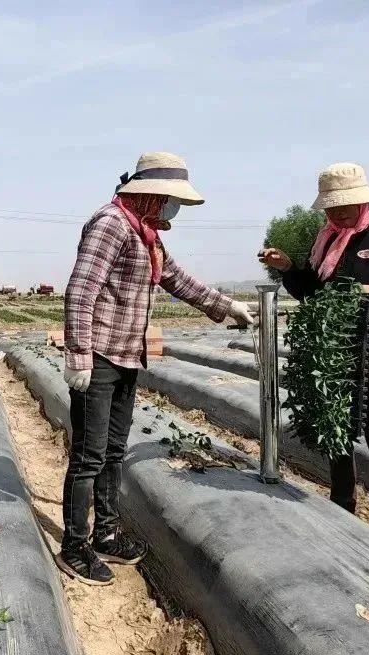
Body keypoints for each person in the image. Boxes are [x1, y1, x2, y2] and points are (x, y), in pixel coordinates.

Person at [61, 151, 255, 585]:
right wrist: (78, 357)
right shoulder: (111, 224)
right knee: (89, 456)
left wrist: (226, 306)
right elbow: (80, 292)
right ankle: (74, 545)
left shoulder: (146, 235)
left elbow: (178, 279)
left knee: (113, 451)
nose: (175, 210)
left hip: (127, 355)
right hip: (100, 358)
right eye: (172, 200)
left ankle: (105, 534)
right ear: (150, 194)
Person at [260, 162, 369, 541]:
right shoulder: (326, 239)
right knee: (336, 429)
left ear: (361, 202)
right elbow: (312, 291)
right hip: (331, 353)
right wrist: (289, 268)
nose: (336, 212)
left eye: (343, 206)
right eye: (331, 207)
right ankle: (343, 505)